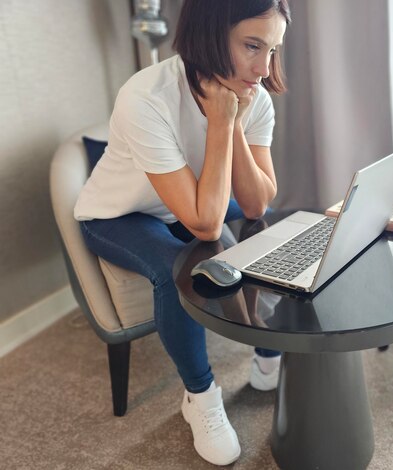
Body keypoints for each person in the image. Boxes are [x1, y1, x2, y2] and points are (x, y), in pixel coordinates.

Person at [74, 0, 291, 465]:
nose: (262, 67)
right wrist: (219, 121)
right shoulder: (145, 96)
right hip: (119, 213)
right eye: (252, 46)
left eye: (272, 50)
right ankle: (201, 396)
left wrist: (233, 122)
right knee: (180, 274)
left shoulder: (255, 94)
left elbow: (256, 202)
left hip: (192, 200)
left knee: (261, 229)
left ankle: (269, 348)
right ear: (209, 35)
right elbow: (206, 224)